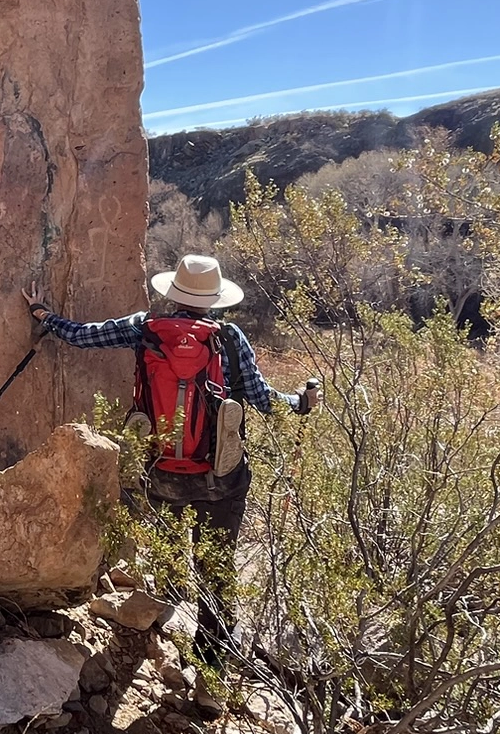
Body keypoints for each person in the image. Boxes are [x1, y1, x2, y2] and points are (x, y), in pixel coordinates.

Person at [25, 254, 318, 622]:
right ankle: (212, 650)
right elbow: (264, 400)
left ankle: (163, 619)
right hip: (220, 478)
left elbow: (84, 336)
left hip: (160, 472)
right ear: (214, 299)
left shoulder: (145, 329)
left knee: (169, 549)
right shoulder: (229, 338)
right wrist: (300, 403)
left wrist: (43, 315)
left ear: (175, 294)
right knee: (217, 568)